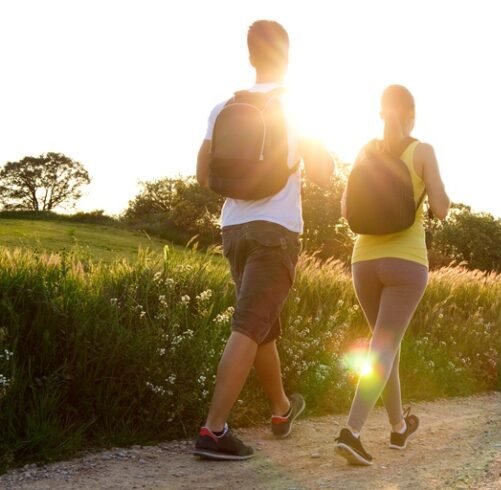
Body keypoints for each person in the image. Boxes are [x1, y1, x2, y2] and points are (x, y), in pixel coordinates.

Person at [193, 20, 334, 461]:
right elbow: (325, 175)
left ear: (251, 57)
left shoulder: (223, 108)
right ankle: (214, 430)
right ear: (287, 59)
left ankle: (281, 409)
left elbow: (203, 174)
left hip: (233, 228)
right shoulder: (295, 110)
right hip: (276, 231)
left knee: (261, 328)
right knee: (249, 326)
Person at [334, 85, 450, 465]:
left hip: (363, 261)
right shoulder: (423, 151)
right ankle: (350, 432)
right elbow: (442, 209)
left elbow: (346, 208)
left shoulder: (365, 150)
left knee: (387, 348)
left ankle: (399, 427)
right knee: (382, 349)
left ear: (381, 113)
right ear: (411, 114)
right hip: (405, 262)